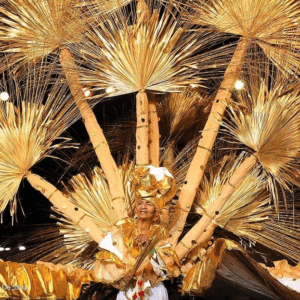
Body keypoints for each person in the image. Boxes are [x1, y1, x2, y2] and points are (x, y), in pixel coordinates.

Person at [93, 165, 180, 300]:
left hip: (153, 292)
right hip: (127, 291)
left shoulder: (159, 234)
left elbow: (167, 269)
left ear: (156, 212)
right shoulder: (123, 228)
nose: (143, 207)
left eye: (149, 204)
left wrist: (149, 249)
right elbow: (105, 260)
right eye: (140, 203)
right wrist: (121, 276)